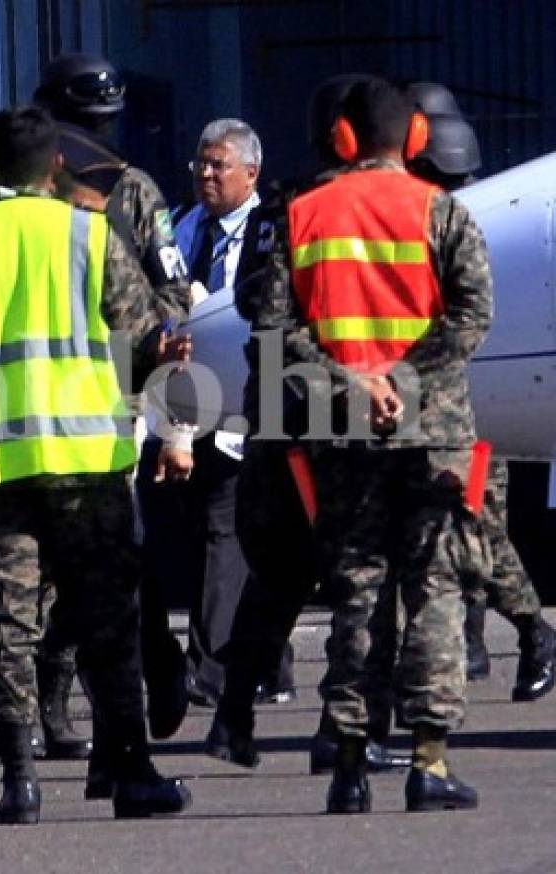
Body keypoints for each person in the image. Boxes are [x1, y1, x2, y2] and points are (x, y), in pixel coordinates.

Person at [0, 105, 194, 825]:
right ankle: (131, 770)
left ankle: (18, 779)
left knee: (3, 618)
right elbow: (146, 333)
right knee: (107, 616)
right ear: (55, 165)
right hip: (85, 458)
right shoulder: (89, 233)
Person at [255, 78, 493, 813]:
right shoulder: (442, 211)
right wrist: (403, 375)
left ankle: (351, 765)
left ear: (342, 140)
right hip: (433, 431)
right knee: (435, 592)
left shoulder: (300, 216)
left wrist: (352, 381)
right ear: (417, 139)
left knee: (356, 592)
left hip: (344, 431)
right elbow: (473, 313)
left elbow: (273, 328)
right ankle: (429, 761)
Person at [204, 73, 411, 776]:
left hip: (276, 421)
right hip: (341, 425)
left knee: (281, 576)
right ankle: (345, 728)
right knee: (364, 581)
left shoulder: (276, 209)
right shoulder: (351, 210)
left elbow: (247, 298)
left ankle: (234, 713)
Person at [34, 54, 191, 769]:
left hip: (110, 392)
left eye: (100, 123)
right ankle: (62, 690)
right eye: (80, 124)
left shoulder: (130, 192)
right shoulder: (16, 193)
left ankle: (143, 671)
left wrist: (158, 367)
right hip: (30, 396)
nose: (92, 137)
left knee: (111, 546)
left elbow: (171, 288)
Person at [405, 81, 555, 701]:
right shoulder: (468, 217)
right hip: (452, 411)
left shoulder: (456, 227)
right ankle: (477, 644)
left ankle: (529, 630)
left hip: (460, 415)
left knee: (476, 536)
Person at [144, 118, 296, 710]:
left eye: (219, 166)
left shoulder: (268, 231)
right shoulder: (181, 227)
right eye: (200, 165)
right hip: (184, 400)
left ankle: (206, 670)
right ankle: (268, 662)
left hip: (247, 405)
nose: (206, 175)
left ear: (251, 173)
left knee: (227, 531)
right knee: (227, 537)